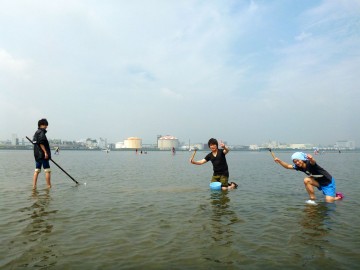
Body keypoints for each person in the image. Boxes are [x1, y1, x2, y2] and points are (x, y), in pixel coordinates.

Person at [274, 152, 343, 203]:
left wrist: (311, 159)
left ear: (302, 159)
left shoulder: (309, 163)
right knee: (306, 180)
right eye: (295, 162)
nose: (297, 163)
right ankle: (312, 199)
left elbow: (313, 162)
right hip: (318, 182)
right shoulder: (299, 167)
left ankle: (339, 197)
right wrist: (280, 161)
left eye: (298, 160)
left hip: (328, 183)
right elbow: (288, 166)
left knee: (329, 201)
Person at [32, 118, 52, 189]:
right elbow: (41, 143)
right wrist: (46, 152)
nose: (46, 126)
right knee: (47, 170)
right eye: (45, 125)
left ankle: (34, 186)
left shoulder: (36, 133)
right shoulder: (41, 132)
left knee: (37, 170)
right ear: (41, 125)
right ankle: (49, 186)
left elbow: (35, 143)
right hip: (43, 155)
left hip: (37, 155)